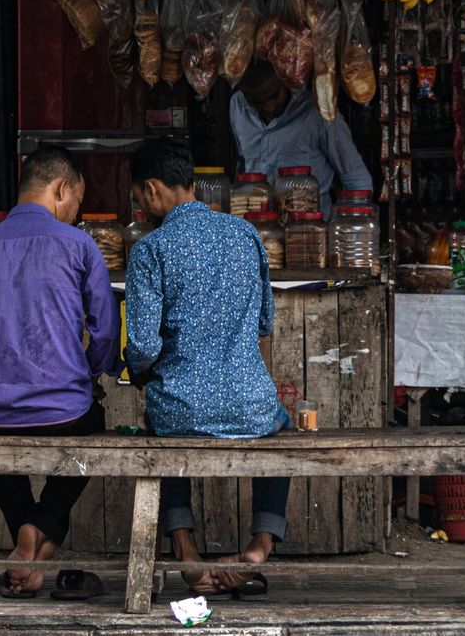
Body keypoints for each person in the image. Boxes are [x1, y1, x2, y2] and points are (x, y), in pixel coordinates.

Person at [124, 137, 290, 598]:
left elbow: (140, 345)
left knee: (161, 424)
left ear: (153, 189)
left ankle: (186, 551)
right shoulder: (247, 235)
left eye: (139, 197)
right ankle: (258, 547)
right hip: (250, 409)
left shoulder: (150, 251)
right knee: (282, 426)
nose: (140, 207)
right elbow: (263, 324)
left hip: (180, 411)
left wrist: (137, 370)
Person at [0, 146, 118, 600]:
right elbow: (105, 332)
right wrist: (84, 373)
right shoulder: (80, 245)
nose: (75, 212)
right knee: (93, 432)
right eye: (77, 202)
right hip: (65, 410)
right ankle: (38, 530)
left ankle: (24, 543)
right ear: (61, 188)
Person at [229, 60, 372, 218]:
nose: (268, 107)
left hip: (308, 230)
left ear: (285, 80)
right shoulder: (237, 105)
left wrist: (351, 230)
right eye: (256, 102)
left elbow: (355, 177)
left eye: (273, 96)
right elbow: (243, 161)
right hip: (257, 228)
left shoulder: (318, 112)